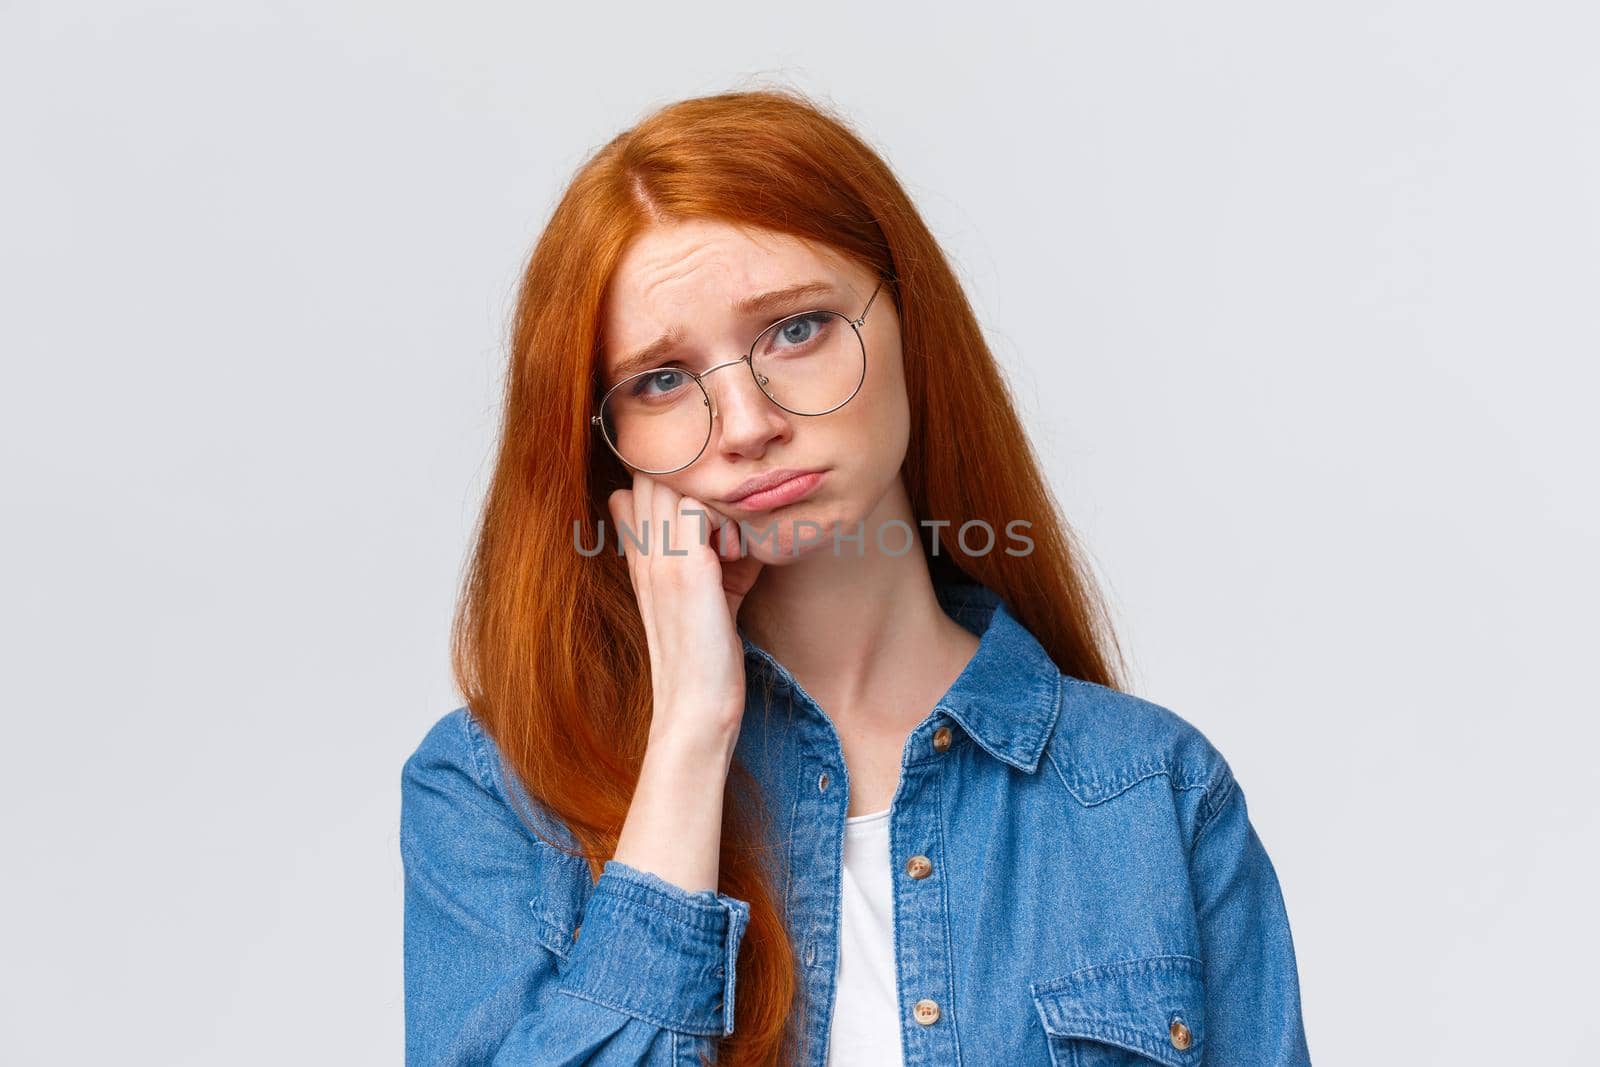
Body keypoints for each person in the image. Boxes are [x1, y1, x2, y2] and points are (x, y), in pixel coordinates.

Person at [400, 87, 1312, 1066]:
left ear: (909, 319)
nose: (747, 425)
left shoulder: (1149, 794)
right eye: (660, 379)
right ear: (605, 442)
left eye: (795, 330)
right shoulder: (496, 793)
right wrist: (689, 734)